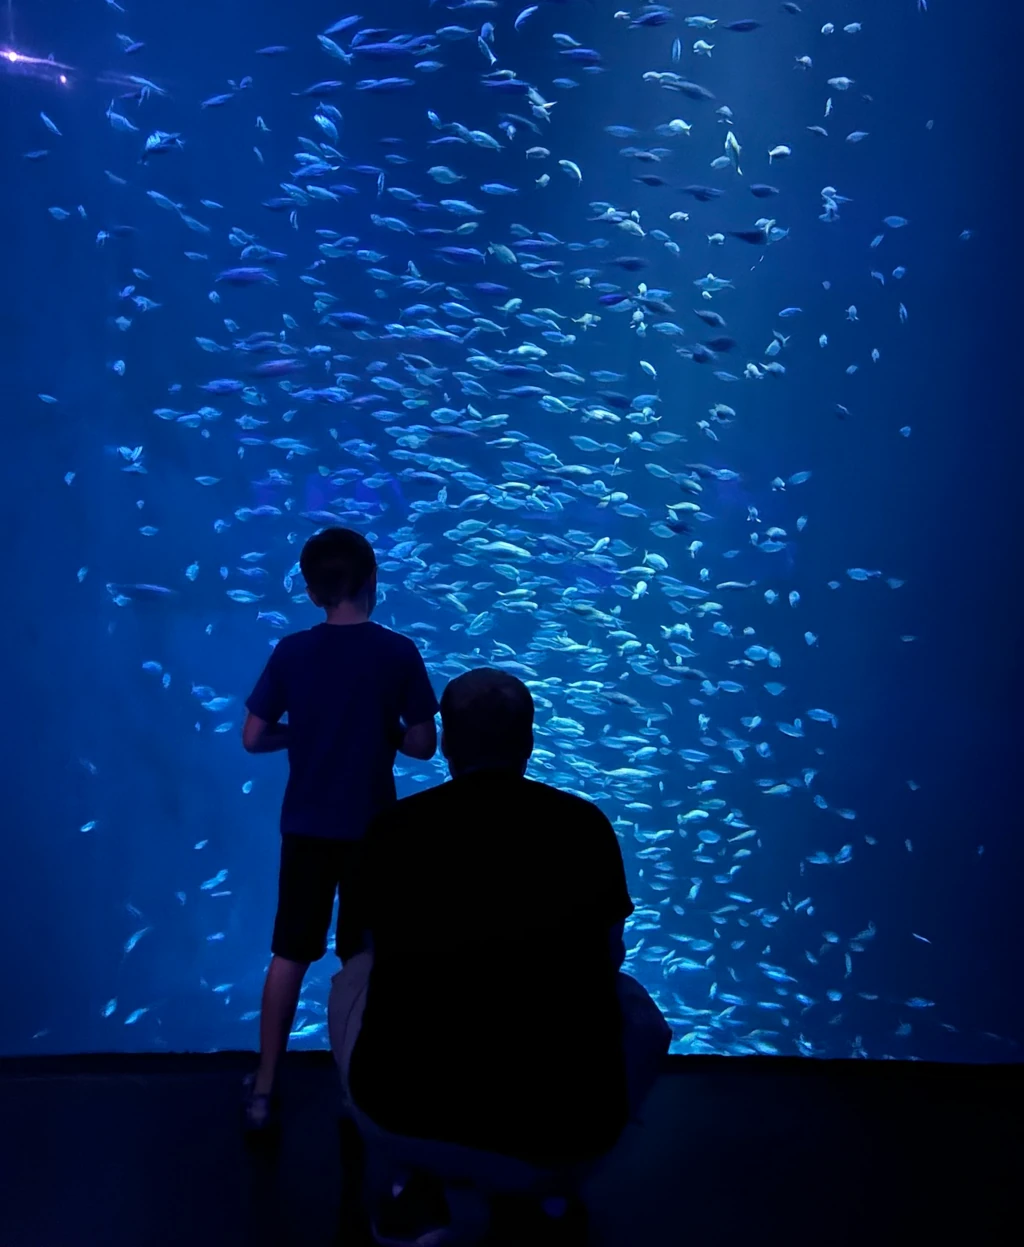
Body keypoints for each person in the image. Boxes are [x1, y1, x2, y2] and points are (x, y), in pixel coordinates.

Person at [329, 668, 672, 1242]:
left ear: (448, 746)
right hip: (563, 1123)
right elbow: (609, 954)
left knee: (354, 978)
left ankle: (412, 1178)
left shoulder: (390, 830)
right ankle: (551, 1190)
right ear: (530, 743)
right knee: (633, 1003)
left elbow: (357, 952)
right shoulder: (584, 826)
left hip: (403, 1107)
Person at [241, 527, 440, 1130]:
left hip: (306, 826)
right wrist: (385, 731)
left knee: (289, 954)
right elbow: (424, 744)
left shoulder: (291, 653)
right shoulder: (397, 652)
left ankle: (265, 1090)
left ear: (309, 591)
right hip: (372, 830)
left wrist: (298, 734)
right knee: (364, 960)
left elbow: (253, 737)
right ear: (371, 582)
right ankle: (360, 1093)